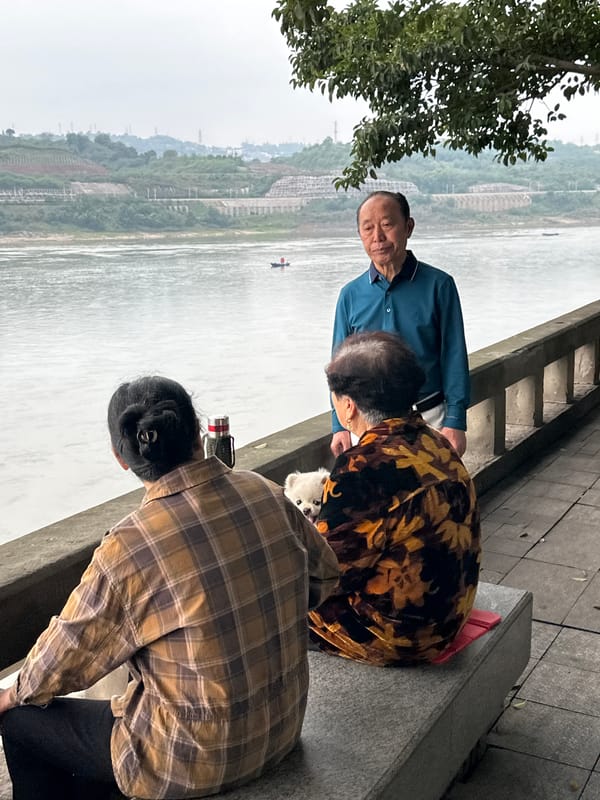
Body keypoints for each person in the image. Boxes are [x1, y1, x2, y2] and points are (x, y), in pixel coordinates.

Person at [0, 376, 339, 800]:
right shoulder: (266, 493)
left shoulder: (129, 545)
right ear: (198, 437)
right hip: (281, 729)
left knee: (22, 723)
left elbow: (68, 651)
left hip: (189, 762)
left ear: (120, 457)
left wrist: (14, 692)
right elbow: (325, 576)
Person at [309, 331, 481, 666]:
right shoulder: (437, 442)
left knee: (273, 599)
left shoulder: (362, 468)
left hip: (403, 636)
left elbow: (328, 575)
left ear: (348, 406)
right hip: (451, 612)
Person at [330, 190, 470, 459]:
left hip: (430, 417)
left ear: (408, 227)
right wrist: (340, 426)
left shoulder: (439, 286)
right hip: (366, 424)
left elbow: (454, 357)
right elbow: (338, 369)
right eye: (368, 228)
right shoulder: (350, 295)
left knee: (437, 495)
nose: (378, 237)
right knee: (374, 500)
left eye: (387, 224)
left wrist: (455, 420)